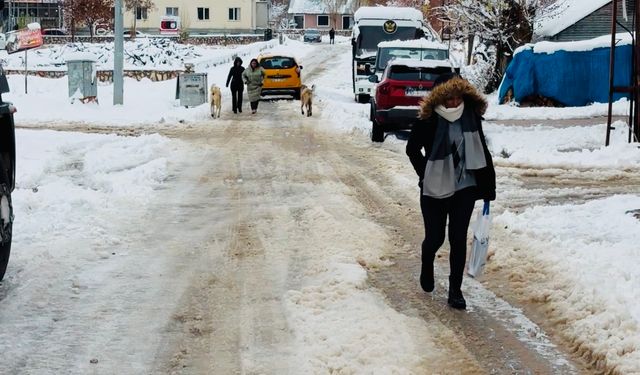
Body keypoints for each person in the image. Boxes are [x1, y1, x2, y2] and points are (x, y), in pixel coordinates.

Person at [406, 73, 496, 310]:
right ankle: (427, 261)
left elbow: (483, 152)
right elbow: (412, 149)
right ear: (439, 98)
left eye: (458, 98)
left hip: (464, 187)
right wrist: (426, 173)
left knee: (458, 238)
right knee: (435, 238)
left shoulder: (471, 117)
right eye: (449, 99)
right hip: (434, 190)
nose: (454, 103)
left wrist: (488, 187)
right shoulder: (428, 119)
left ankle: (455, 290)